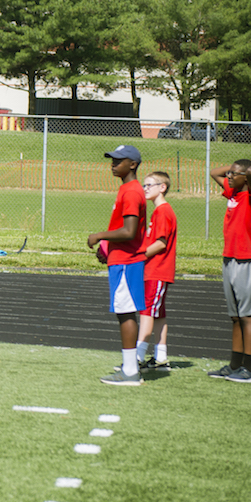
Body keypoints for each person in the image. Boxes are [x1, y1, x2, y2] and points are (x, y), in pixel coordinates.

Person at [86, 144, 148, 386]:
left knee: (125, 313)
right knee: (124, 312)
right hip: (121, 259)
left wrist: (99, 236)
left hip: (127, 262)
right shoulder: (127, 189)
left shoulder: (131, 191)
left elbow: (130, 231)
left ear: (132, 164)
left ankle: (131, 371)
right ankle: (129, 367)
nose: (113, 164)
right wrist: (107, 250)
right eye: (112, 160)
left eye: (119, 160)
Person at [207, 159, 251, 383]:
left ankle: (248, 370)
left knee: (247, 316)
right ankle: (234, 366)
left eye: (235, 174)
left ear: (246, 178)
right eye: (230, 173)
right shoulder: (232, 193)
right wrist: (234, 167)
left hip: (247, 260)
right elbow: (214, 172)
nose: (229, 177)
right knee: (235, 317)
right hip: (230, 259)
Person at [136, 171, 178, 369]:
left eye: (149, 185)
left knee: (147, 312)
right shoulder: (158, 211)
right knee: (158, 313)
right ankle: (160, 357)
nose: (145, 188)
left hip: (156, 270)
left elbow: (160, 244)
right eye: (144, 185)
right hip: (154, 271)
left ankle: (138, 356)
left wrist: (139, 257)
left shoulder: (163, 212)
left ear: (162, 187)